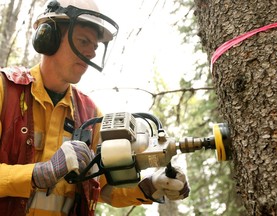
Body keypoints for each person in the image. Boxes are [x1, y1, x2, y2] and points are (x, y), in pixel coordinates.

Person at [0, 0, 190, 215]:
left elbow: (103, 187)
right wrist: (38, 173)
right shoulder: (6, 91)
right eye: (83, 41)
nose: (91, 53)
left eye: (95, 47)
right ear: (48, 37)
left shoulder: (90, 115)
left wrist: (151, 185)